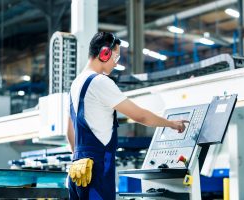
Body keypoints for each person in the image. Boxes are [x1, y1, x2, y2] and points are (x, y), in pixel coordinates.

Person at [67, 32, 188, 200]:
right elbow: (140, 116)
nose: (115, 64)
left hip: (78, 171)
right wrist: (171, 124)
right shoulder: (100, 82)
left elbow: (70, 131)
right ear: (104, 53)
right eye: (115, 58)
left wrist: (79, 159)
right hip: (96, 169)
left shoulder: (76, 84)